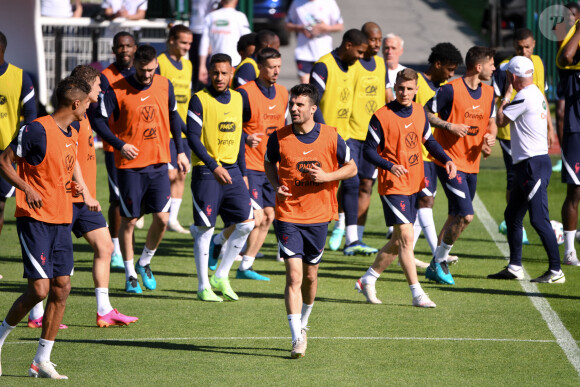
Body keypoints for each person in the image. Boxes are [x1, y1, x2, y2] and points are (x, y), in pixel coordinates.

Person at [28, 66, 139, 329]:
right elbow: (66, 159)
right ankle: (36, 314)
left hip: (85, 200)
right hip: (66, 199)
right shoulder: (71, 118)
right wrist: (81, 189)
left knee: (105, 247)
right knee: (49, 258)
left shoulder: (86, 114)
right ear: (87, 87)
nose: (102, 89)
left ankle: (104, 311)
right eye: (99, 85)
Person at [0, 76, 91, 379]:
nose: (90, 106)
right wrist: (26, 187)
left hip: (62, 218)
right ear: (76, 103)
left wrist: (75, 184)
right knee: (39, 289)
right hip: (35, 220)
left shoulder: (72, 132)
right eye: (88, 101)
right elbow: (4, 161)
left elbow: (59, 170)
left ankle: (42, 359)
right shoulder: (36, 129)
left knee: (62, 287)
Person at [264, 83, 356, 358]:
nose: (293, 108)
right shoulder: (278, 137)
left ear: (313, 109)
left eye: (299, 105)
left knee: (310, 277)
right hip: (288, 214)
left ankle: (304, 323)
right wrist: (275, 183)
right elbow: (269, 162)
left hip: (319, 216)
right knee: (293, 275)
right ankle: (296, 338)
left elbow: (351, 168)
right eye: (292, 104)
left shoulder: (331, 136)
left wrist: (327, 177)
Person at [355, 68, 457, 306]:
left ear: (416, 90)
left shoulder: (421, 112)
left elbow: (429, 141)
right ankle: (417, 293)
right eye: (400, 88)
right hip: (393, 184)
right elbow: (368, 151)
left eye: (409, 89)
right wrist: (389, 166)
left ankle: (367, 279)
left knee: (398, 241)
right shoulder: (381, 116)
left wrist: (447, 159)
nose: (404, 93)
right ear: (395, 87)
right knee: (407, 239)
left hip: (414, 181)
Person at [94, 45, 190, 293]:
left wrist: (179, 150)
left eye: (150, 69)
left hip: (159, 163)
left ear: (156, 64)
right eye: (142, 69)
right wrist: (119, 144)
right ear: (134, 65)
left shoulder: (165, 85)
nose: (147, 74)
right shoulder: (117, 89)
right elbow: (97, 120)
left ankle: (145, 261)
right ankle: (129, 274)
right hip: (129, 167)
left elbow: (173, 118)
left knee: (162, 218)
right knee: (130, 220)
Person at [424, 46, 497, 285]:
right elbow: (424, 113)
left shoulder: (489, 93)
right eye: (491, 63)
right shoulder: (449, 90)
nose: (494, 68)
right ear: (479, 67)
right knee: (466, 216)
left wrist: (489, 139)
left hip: (473, 165)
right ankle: (439, 261)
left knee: (456, 215)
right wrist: (448, 126)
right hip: (450, 162)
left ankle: (437, 261)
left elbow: (491, 123)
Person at [488, 56, 564, 283]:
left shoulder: (523, 96)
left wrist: (505, 98)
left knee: (539, 219)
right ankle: (514, 266)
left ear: (512, 76)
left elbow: (501, 120)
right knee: (512, 215)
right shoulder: (535, 93)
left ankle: (556, 270)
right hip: (527, 164)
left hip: (533, 165)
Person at [187, 53, 255, 302]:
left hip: (234, 172)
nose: (219, 77)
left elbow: (238, 137)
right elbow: (193, 138)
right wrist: (214, 166)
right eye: (215, 72)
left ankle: (221, 276)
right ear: (209, 72)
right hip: (207, 172)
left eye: (224, 73)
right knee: (205, 230)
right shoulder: (199, 100)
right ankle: (204, 286)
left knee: (247, 223)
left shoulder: (238, 98)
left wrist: (244, 173)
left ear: (232, 73)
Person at [309, 29, 370, 255]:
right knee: (319, 190)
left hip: (345, 137)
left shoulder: (354, 67)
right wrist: (326, 134)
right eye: (359, 51)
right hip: (322, 138)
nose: (361, 57)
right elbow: (312, 103)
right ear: (348, 45)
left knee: (352, 183)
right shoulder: (323, 65)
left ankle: (352, 240)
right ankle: (302, 235)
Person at [493, 28, 554, 245]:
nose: (523, 51)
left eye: (527, 47)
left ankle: (515, 220)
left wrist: (549, 127)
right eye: (519, 47)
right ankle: (516, 221)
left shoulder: (537, 63)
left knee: (522, 180)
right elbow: (499, 102)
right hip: (509, 132)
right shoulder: (505, 68)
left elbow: (542, 94)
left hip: (531, 133)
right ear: (514, 46)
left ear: (534, 45)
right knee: (513, 177)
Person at [234, 47, 288, 280]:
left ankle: (246, 266)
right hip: (249, 165)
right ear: (259, 68)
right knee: (255, 217)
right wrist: (246, 138)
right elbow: (229, 126)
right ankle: (218, 244)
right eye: (271, 67)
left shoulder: (284, 93)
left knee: (268, 216)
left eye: (278, 66)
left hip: (271, 167)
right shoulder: (244, 94)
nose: (276, 71)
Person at [412, 42, 463, 267]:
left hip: (433, 154)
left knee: (422, 203)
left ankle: (407, 252)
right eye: (449, 69)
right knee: (426, 200)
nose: (451, 74)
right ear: (438, 63)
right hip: (417, 153)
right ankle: (437, 254)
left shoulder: (442, 89)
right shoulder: (417, 85)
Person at [92, 31, 137, 270]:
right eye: (120, 46)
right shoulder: (106, 76)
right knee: (117, 198)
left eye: (128, 45)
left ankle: (129, 247)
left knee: (137, 199)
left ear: (135, 48)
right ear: (113, 50)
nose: (124, 50)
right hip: (114, 147)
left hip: (141, 148)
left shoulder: (142, 73)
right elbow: (100, 115)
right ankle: (116, 249)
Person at [347, 22, 384, 252]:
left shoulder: (380, 64)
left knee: (367, 185)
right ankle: (345, 228)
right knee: (349, 182)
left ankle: (357, 238)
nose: (377, 44)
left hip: (373, 136)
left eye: (379, 40)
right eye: (373, 40)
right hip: (351, 132)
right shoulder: (354, 63)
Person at [0, 31, 37, 240]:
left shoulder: (21, 77)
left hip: (5, 151)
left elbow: (31, 117)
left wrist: (16, 147)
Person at [157, 24, 194, 235]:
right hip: (166, 129)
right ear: (171, 40)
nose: (187, 47)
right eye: (183, 42)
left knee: (181, 174)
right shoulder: (160, 63)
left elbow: (186, 96)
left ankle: (173, 219)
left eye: (189, 43)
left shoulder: (188, 65)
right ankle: (147, 211)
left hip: (184, 130)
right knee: (167, 175)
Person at [556, 19, 580, 266]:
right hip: (576, 130)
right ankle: (569, 251)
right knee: (575, 190)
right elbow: (566, 57)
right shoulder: (570, 61)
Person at [285, 0, 344, 83]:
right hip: (303, 53)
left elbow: (340, 26)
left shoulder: (329, 2)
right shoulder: (297, 2)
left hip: (324, 53)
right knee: (306, 86)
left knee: (322, 85)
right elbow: (287, 25)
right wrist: (301, 28)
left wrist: (324, 28)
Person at [198, 0, 251, 84]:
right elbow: (249, 42)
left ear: (221, 1)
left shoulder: (211, 16)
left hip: (215, 67)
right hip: (234, 66)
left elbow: (204, 44)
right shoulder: (240, 17)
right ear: (236, 1)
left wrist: (202, 66)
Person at [189, 0, 218, 92]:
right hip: (193, 30)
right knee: (193, 69)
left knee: (203, 71)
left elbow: (215, 11)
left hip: (203, 33)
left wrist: (209, 42)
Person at [383, 33, 406, 103]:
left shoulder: (406, 73)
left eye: (393, 48)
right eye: (386, 48)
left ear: (401, 51)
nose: (389, 52)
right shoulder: (375, 71)